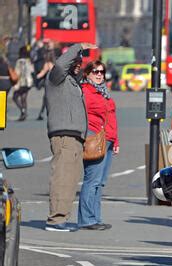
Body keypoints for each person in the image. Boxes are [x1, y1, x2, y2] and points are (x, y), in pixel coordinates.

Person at [45, 42, 97, 232]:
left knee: (70, 181)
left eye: (80, 62)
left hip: (75, 138)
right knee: (62, 178)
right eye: (75, 61)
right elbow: (61, 65)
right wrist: (79, 46)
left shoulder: (73, 83)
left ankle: (61, 218)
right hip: (64, 136)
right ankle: (55, 220)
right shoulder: (56, 77)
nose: (78, 64)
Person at [77, 60, 119, 231]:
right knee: (92, 180)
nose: (99, 74)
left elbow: (112, 117)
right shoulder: (85, 91)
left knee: (100, 182)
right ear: (87, 73)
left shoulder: (103, 92)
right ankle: (86, 220)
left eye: (102, 71)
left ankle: (95, 218)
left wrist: (115, 141)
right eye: (95, 71)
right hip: (94, 139)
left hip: (107, 139)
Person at [12, 46, 33, 121]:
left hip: (21, 82)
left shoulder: (19, 61)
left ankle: (23, 111)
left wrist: (15, 83)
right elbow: (32, 70)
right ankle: (24, 114)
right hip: (28, 82)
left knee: (15, 97)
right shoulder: (28, 60)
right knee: (24, 98)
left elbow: (17, 72)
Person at [36, 49, 56, 120]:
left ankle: (42, 113)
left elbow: (42, 73)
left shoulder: (47, 63)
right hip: (54, 83)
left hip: (49, 83)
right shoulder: (55, 63)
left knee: (45, 99)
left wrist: (35, 76)